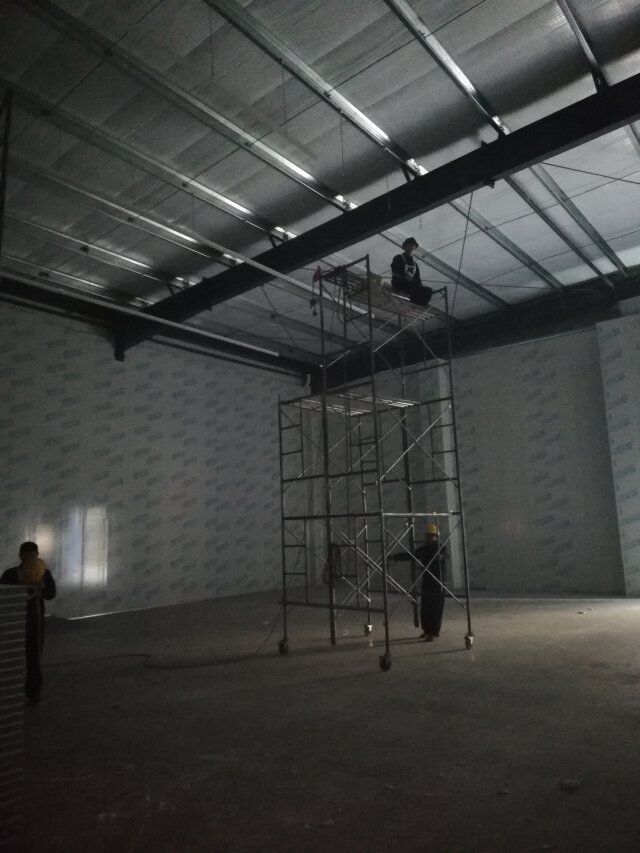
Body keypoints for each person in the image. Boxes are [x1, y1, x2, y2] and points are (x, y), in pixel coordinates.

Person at [1, 542, 56, 705]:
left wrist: (41, 589)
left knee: (34, 658)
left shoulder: (44, 573)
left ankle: (33, 694)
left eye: (32, 556)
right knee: (10, 656)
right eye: (25, 556)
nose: (29, 559)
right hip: (13, 621)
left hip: (35, 621)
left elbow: (51, 594)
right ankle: (8, 692)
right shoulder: (10, 574)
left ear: (37, 555)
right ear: (20, 556)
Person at [391, 523, 447, 641]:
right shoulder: (425, 549)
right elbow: (412, 555)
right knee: (426, 607)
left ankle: (433, 633)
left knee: (436, 608)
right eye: (428, 536)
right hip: (428, 581)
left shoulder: (441, 548)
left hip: (438, 582)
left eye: (431, 536)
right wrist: (395, 557)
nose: (428, 538)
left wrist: (441, 557)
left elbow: (444, 557)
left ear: (435, 536)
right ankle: (426, 630)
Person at [391, 238, 433, 307]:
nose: (411, 248)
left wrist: (421, 289)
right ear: (405, 247)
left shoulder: (415, 264)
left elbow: (418, 280)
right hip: (399, 284)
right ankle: (416, 301)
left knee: (428, 290)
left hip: (410, 287)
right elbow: (395, 271)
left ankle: (418, 304)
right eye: (409, 245)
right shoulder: (398, 258)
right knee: (412, 286)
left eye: (413, 246)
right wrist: (404, 277)